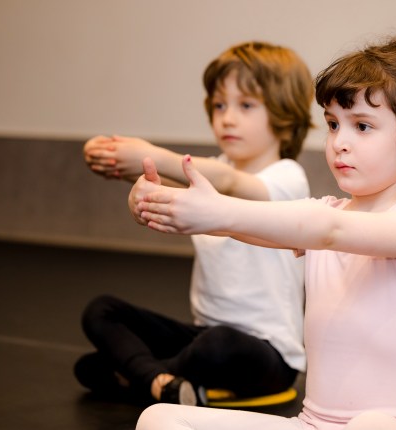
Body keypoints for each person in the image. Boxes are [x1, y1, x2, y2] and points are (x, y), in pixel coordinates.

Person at [131, 36, 396, 430]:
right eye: (333, 125)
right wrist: (163, 201)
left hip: (395, 425)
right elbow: (259, 227)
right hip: (312, 424)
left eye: (362, 126)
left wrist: (217, 210)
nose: (339, 143)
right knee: (158, 418)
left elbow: (329, 231)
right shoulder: (326, 215)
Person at [74, 41, 314, 406]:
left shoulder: (287, 176)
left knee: (218, 345)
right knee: (101, 311)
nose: (227, 118)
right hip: (201, 335)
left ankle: (136, 374)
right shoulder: (212, 170)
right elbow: (168, 191)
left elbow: (229, 182)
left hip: (267, 354)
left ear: (285, 115)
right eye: (219, 105)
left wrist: (154, 156)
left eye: (245, 105)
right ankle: (160, 382)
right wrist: (137, 187)